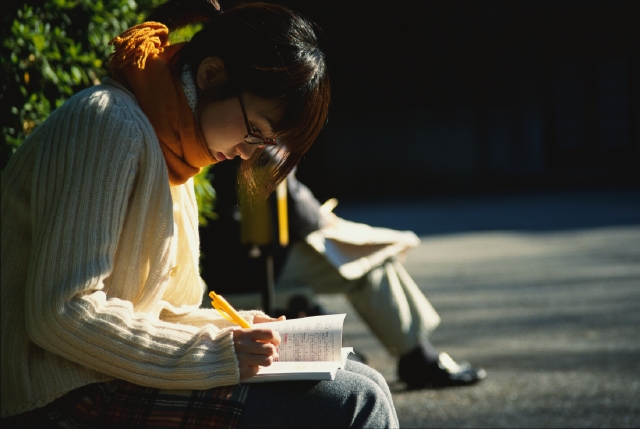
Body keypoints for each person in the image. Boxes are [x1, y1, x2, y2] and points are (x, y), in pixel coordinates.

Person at [0, 1, 399, 427]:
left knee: (364, 380)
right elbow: (62, 310)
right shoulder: (107, 122)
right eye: (255, 131)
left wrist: (238, 329)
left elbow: (161, 312)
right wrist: (218, 352)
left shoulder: (176, 156)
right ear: (211, 74)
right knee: (353, 401)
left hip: (109, 378)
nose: (248, 154)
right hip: (58, 397)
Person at [199, 154, 487, 390]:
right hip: (248, 259)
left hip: (225, 255)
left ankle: (408, 354)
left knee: (361, 255)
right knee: (372, 262)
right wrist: (322, 218)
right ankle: (418, 357)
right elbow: (288, 195)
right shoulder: (255, 122)